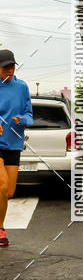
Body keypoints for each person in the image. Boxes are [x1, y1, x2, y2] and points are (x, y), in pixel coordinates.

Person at [0, 50, 33, 247]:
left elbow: (29, 113)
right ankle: (0, 229)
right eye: (5, 68)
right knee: (2, 184)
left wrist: (22, 119)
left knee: (9, 192)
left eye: (12, 66)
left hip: (13, 143)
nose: (9, 71)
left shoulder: (21, 87)